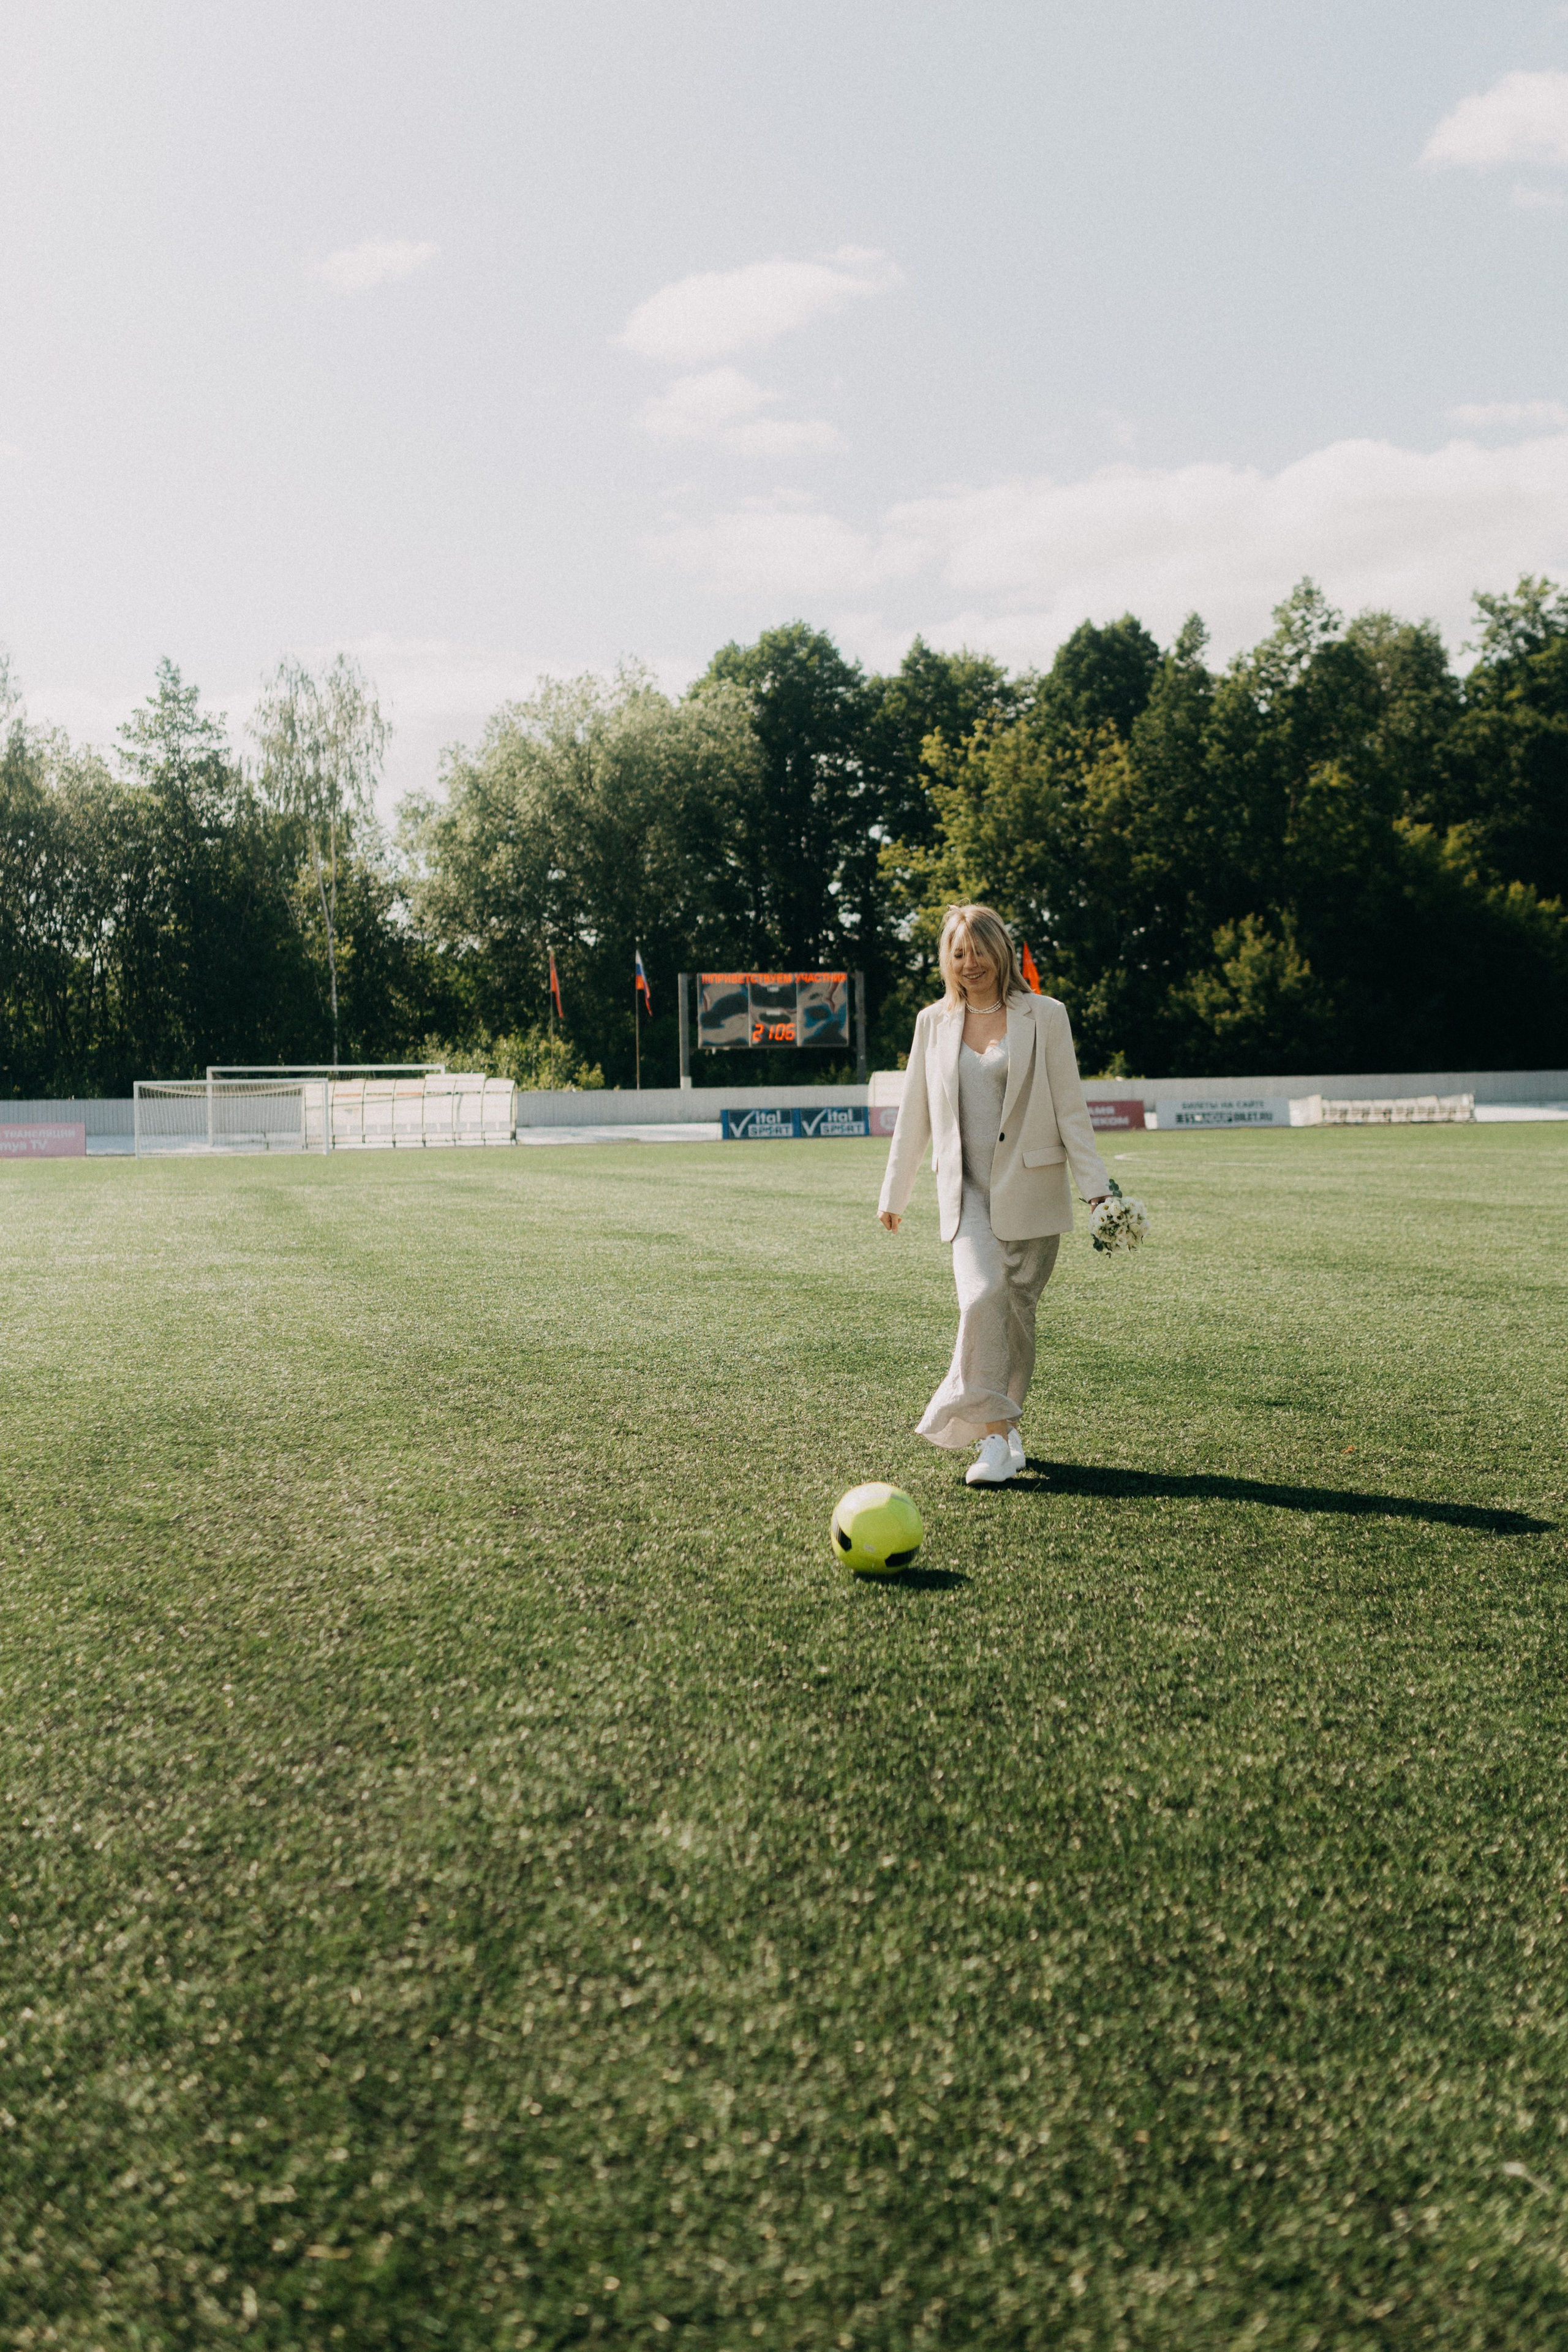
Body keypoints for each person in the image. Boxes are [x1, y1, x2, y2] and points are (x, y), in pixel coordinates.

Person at [877, 904, 1112, 1486]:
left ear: (1001, 951)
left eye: (979, 951)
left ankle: (1007, 1434)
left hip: (1032, 1190)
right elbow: (914, 1114)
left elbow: (1071, 1110)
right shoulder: (933, 1023)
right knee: (981, 1299)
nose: (970, 963)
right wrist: (895, 1192)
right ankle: (991, 1441)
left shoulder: (1046, 1015)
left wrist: (1098, 1193)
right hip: (967, 1196)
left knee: (1016, 1317)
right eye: (958, 954)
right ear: (946, 961)